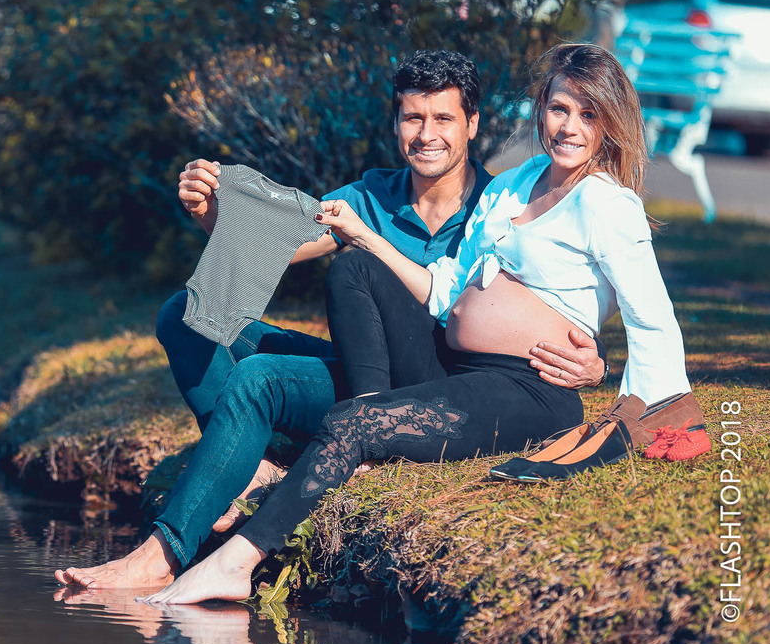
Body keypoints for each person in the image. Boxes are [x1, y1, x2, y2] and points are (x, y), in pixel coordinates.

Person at [140, 42, 700, 605]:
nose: (569, 126)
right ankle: (265, 474)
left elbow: (650, 318)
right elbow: (441, 290)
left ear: (471, 123)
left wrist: (622, 383)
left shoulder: (604, 204)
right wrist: (229, 213)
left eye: (588, 113)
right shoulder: (511, 185)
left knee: (347, 410)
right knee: (330, 279)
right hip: (448, 365)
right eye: (559, 109)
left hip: (526, 383)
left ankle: (234, 560)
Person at [54, 50, 605, 591]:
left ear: (472, 124)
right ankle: (258, 464)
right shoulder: (371, 196)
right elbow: (276, 244)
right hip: (364, 366)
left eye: (443, 118)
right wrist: (208, 211)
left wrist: (590, 360)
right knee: (188, 316)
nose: (427, 133)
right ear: (395, 124)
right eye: (413, 117)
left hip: (443, 387)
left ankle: (163, 554)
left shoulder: (497, 204)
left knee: (261, 376)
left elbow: (551, 295)